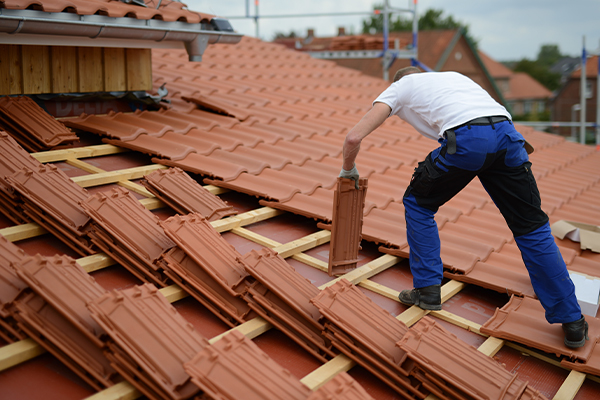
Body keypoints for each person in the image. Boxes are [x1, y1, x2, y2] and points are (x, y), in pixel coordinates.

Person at [340, 66, 588, 349]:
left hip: (470, 141)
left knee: (418, 203)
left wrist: (348, 169)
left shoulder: (401, 86)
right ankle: (573, 322)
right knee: (532, 228)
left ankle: (427, 290)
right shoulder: (454, 79)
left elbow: (354, 137)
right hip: (509, 137)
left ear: (402, 80)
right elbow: (491, 119)